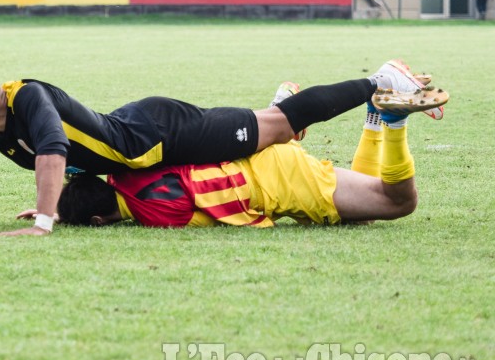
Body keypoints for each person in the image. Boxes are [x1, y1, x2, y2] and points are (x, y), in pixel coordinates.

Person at [0, 58, 448, 236]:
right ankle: (287, 105)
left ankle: (379, 83)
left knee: (278, 124)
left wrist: (45, 222)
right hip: (146, 140)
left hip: (161, 135)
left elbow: (54, 150)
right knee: (272, 130)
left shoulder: (26, 97)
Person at [49, 92, 433, 229]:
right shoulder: (122, 171)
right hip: (254, 155)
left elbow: (224, 208)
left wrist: (69, 212)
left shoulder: (153, 214)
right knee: (362, 212)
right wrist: (51, 208)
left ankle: (394, 123)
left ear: (99, 221)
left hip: (279, 183)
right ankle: (374, 119)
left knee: (397, 202)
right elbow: (78, 167)